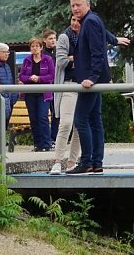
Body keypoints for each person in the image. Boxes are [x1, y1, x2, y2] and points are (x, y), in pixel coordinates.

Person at [67, 0, 110, 175]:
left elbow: (98, 51)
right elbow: (104, 38)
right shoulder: (91, 20)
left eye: (78, 5)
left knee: (81, 120)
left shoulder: (90, 21)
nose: (75, 9)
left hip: (90, 80)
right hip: (93, 79)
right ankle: (95, 162)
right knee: (94, 120)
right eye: (73, 6)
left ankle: (86, 161)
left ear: (88, 5)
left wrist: (92, 77)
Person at [50, 17, 82, 174]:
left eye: (78, 20)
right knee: (66, 123)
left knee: (79, 126)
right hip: (68, 84)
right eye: (73, 19)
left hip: (83, 85)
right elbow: (61, 61)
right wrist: (80, 59)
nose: (75, 23)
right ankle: (57, 161)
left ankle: (72, 161)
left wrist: (73, 59)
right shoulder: (65, 37)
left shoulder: (87, 36)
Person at [19, 37, 56, 152]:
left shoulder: (48, 59)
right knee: (33, 119)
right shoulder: (26, 60)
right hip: (30, 94)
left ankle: (47, 143)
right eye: (32, 46)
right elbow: (21, 76)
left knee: (42, 117)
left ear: (41, 47)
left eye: (36, 46)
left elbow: (51, 75)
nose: (34, 48)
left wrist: (39, 78)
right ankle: (37, 144)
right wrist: (29, 78)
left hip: (43, 93)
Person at [41, 29, 59, 143]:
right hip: (47, 87)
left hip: (58, 87)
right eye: (50, 38)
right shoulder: (43, 55)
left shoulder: (58, 52)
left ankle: (54, 137)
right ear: (44, 40)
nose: (53, 41)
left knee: (57, 113)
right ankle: (47, 139)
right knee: (44, 114)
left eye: (54, 38)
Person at [0, 43, 17, 129]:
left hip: (9, 101)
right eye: (4, 52)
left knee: (4, 126)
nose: (7, 54)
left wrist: (14, 96)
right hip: (0, 101)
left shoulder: (7, 66)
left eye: (8, 52)